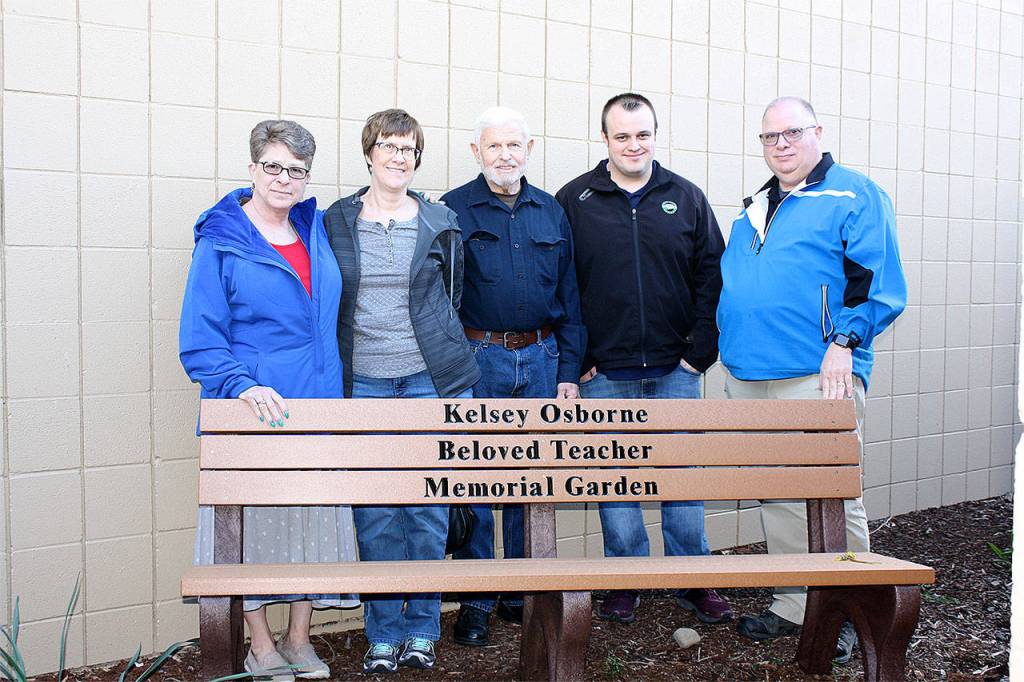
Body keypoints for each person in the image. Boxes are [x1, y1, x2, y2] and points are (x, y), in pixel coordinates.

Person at [717, 96, 907, 664]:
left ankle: (849, 611)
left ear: (817, 133)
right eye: (770, 136)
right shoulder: (755, 206)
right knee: (776, 491)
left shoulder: (853, 194)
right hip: (750, 374)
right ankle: (797, 602)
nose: (781, 144)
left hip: (818, 374)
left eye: (792, 133)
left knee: (832, 495)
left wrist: (844, 343)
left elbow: (877, 282)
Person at [180, 120, 357, 681]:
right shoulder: (222, 240)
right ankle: (259, 644)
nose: (285, 179)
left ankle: (299, 636)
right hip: (255, 408)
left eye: (297, 170)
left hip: (318, 403)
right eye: (275, 166)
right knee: (250, 528)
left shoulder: (314, 229)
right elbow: (201, 335)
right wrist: (241, 385)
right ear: (253, 167)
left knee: (311, 520)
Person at [555, 93, 732, 626]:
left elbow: (712, 277)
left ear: (655, 135)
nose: (634, 145)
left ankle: (693, 580)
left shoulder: (686, 196)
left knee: (682, 476)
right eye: (622, 135)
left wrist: (699, 354)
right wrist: (579, 354)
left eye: (643, 134)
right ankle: (625, 580)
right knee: (615, 480)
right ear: (604, 139)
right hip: (605, 371)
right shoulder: (575, 199)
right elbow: (561, 283)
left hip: (676, 369)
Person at [322, 109, 480, 675]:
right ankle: (383, 634)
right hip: (362, 381)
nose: (398, 157)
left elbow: (451, 298)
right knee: (378, 511)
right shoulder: (335, 220)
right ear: (369, 152)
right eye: (388, 146)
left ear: (418, 157)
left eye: (409, 149)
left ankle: (423, 630)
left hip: (430, 382)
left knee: (430, 508)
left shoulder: (440, 220)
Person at [441, 106, 584, 647]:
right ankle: (476, 599)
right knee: (477, 480)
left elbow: (571, 296)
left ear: (530, 149)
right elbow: (441, 299)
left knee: (532, 479)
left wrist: (569, 371)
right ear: (477, 152)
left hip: (543, 359)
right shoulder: (452, 209)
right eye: (494, 147)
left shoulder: (551, 211)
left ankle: (521, 594)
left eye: (514, 146)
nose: (505, 156)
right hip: (478, 360)